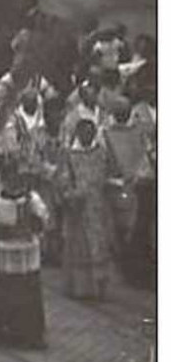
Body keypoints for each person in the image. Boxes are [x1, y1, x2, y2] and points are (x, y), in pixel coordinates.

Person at [0, 161, 50, 349]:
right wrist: (9, 231)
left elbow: (42, 221)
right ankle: (0, 331)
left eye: (18, 179)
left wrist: (32, 218)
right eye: (9, 179)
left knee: (27, 293)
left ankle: (29, 333)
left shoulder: (32, 199)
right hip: (3, 253)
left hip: (26, 254)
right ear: (3, 180)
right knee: (2, 291)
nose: (14, 183)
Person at [56, 118, 113, 300]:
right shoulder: (69, 154)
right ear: (78, 133)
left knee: (100, 247)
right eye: (84, 132)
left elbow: (111, 173)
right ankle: (80, 288)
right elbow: (63, 179)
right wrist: (71, 195)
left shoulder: (102, 152)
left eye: (91, 132)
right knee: (80, 248)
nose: (88, 135)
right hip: (78, 209)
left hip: (99, 207)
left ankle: (100, 287)